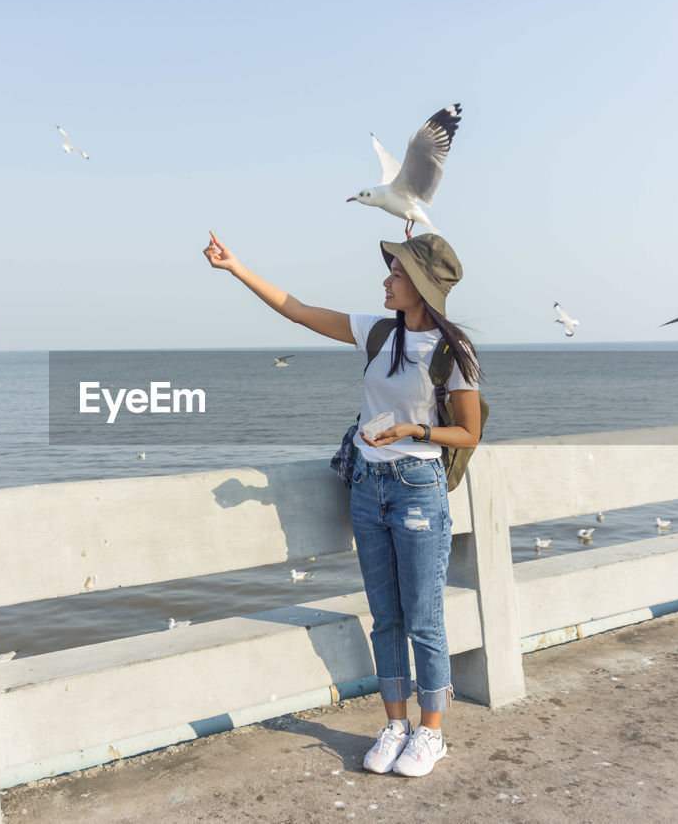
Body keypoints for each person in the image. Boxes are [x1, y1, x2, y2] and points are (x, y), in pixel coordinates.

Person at [202, 230, 482, 777]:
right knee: (384, 617)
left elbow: (469, 433)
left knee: (422, 617)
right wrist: (238, 268)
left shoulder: (454, 352)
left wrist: (414, 429)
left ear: (422, 285)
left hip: (417, 488)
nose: (386, 279)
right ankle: (395, 724)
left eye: (396, 273)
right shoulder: (379, 333)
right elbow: (300, 312)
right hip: (366, 487)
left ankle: (431, 732)